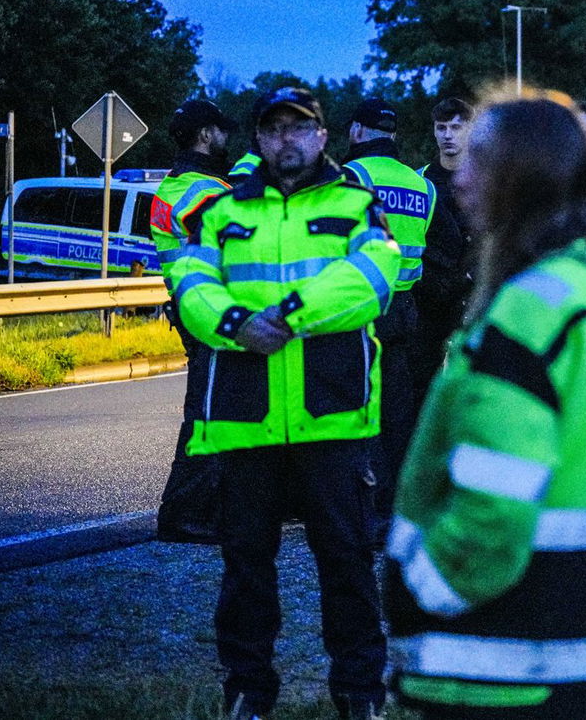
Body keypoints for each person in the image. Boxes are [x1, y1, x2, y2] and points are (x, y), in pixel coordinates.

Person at [384, 89, 586, 720]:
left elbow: (493, 510)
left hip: (496, 664)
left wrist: (415, 589)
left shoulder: (530, 309)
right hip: (578, 656)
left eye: (478, 159)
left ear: (520, 177)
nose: (458, 174)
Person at [171, 86, 401, 720]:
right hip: (247, 422)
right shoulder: (219, 213)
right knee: (245, 569)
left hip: (332, 418)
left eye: (300, 129)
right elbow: (190, 284)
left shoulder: (358, 205)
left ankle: (360, 695)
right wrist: (238, 321)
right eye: (274, 131)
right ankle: (247, 693)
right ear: (258, 140)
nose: (287, 141)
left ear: (322, 137)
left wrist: (291, 315)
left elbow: (372, 281)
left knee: (347, 564)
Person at [343, 97, 437, 517]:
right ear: (393, 135)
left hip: (360, 307)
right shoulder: (421, 185)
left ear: (357, 132)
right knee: (398, 411)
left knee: (358, 407)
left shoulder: (351, 176)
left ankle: (364, 507)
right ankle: (394, 510)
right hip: (405, 309)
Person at [153, 98, 235, 544]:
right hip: (209, 312)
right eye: (221, 130)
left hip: (191, 307)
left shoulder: (174, 185)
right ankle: (183, 515)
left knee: (213, 410)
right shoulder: (204, 192)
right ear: (206, 135)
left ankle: (203, 510)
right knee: (206, 414)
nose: (227, 137)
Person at [415, 97, 474, 371]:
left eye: (455, 127)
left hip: (472, 296)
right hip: (428, 301)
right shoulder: (419, 181)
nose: (447, 135)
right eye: (441, 128)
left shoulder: (484, 178)